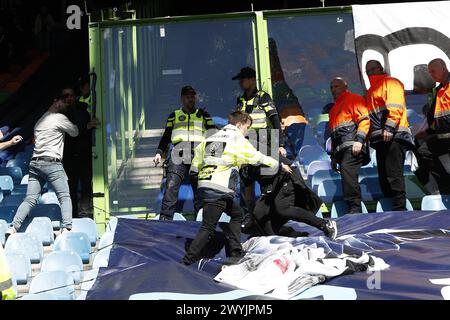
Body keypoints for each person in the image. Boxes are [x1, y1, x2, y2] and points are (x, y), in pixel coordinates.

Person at [182, 111, 291, 266]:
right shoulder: (237, 138)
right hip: (219, 186)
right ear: (240, 124)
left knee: (237, 214)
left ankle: (236, 252)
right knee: (208, 227)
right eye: (247, 127)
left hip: (206, 184)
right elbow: (256, 157)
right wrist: (277, 165)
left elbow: (196, 164)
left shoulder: (213, 137)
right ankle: (187, 261)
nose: (247, 131)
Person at [6, 98, 79, 237]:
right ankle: (67, 229)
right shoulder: (59, 118)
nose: (66, 105)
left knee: (30, 199)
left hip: (35, 163)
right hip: (52, 163)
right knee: (64, 197)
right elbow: (75, 132)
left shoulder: (40, 120)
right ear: (56, 101)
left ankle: (13, 227)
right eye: (64, 102)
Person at [233, 66, 286, 229]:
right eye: (240, 80)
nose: (241, 83)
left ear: (252, 80)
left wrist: (280, 144)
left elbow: (275, 120)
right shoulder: (240, 99)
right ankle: (251, 218)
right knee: (245, 184)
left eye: (243, 79)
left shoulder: (263, 97)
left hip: (263, 141)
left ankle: (268, 219)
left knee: (265, 183)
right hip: (245, 144)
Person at [154, 86, 216, 220]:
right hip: (178, 151)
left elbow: (212, 133)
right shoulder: (174, 115)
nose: (190, 99)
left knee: (200, 187)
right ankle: (165, 220)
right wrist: (159, 152)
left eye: (192, 97)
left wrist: (214, 155)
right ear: (182, 99)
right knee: (171, 185)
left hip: (198, 152)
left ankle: (201, 219)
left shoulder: (203, 115)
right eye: (187, 97)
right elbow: (166, 135)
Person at [365, 60, 414, 211]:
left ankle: (400, 208)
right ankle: (392, 207)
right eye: (368, 70)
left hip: (394, 134)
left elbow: (395, 106)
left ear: (381, 68)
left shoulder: (390, 83)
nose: (371, 72)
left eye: (373, 68)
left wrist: (389, 127)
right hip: (381, 137)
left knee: (393, 173)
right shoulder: (372, 90)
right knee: (384, 175)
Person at [252, 155, 337, 239]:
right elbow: (248, 195)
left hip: (285, 174)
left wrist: (280, 162)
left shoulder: (252, 148)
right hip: (272, 182)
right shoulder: (244, 170)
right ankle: (284, 234)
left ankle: (324, 224)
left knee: (283, 209)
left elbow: (273, 161)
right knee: (259, 211)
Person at [329, 77, 370, 213]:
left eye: (337, 86)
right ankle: (352, 206)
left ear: (345, 86)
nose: (334, 89)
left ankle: (355, 207)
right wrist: (334, 157)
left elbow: (364, 120)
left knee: (347, 171)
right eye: (332, 87)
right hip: (342, 150)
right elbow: (334, 135)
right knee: (347, 175)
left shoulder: (354, 99)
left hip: (353, 146)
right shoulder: (334, 109)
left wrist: (359, 140)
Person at [414, 58, 450, 194]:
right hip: (442, 137)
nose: (431, 75)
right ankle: (445, 187)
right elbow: (438, 116)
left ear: (444, 68)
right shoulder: (440, 89)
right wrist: (428, 131)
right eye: (429, 72)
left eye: (433, 71)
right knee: (423, 151)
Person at [62, 86, 98, 218]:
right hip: (69, 155)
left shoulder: (83, 110)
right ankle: (73, 214)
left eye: (71, 95)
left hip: (83, 153)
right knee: (71, 186)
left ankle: (85, 211)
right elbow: (70, 132)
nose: (69, 98)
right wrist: (87, 126)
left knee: (86, 183)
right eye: (66, 96)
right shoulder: (60, 114)